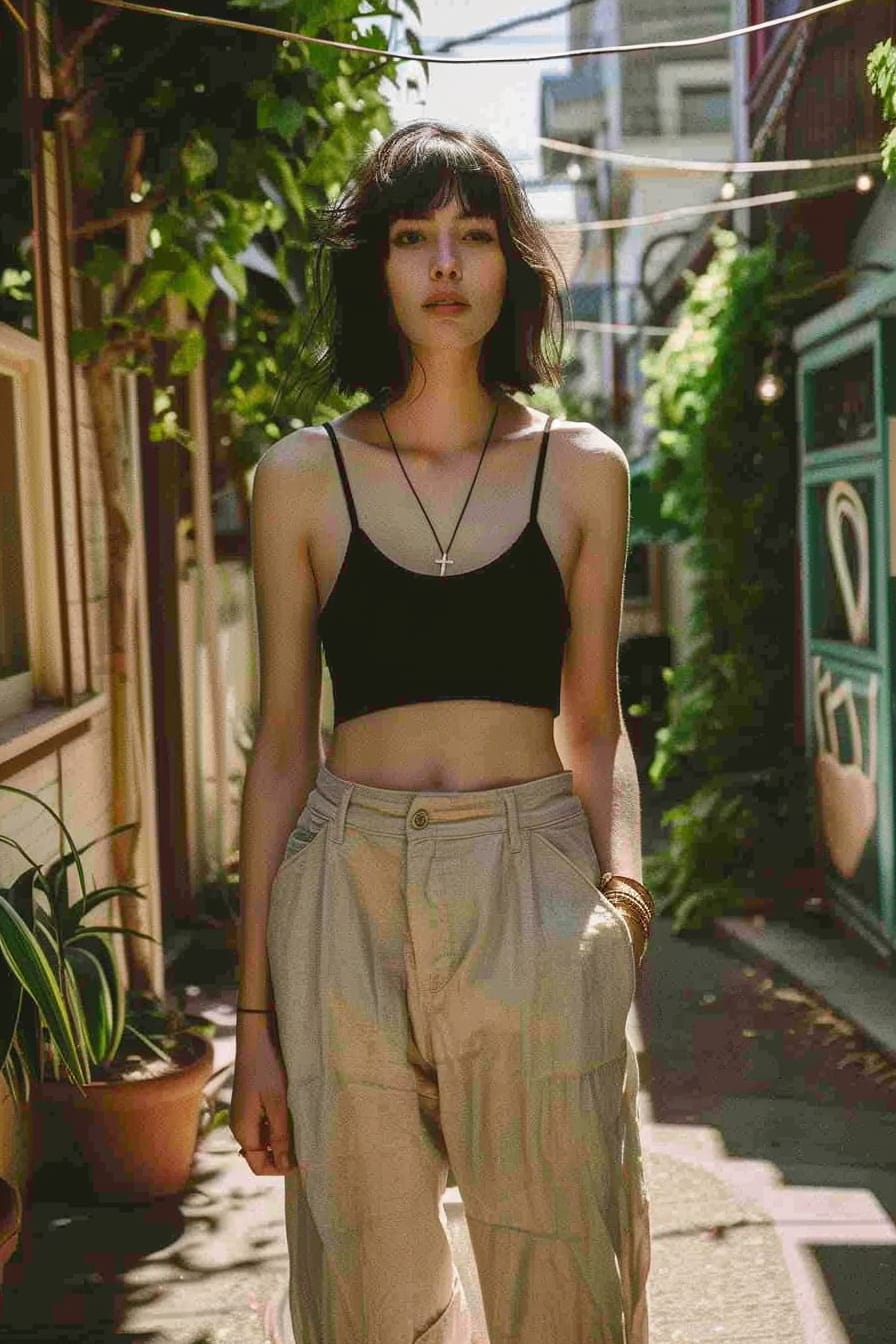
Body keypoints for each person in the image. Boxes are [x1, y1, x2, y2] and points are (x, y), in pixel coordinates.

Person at [230, 120, 653, 1344]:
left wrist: (617, 899)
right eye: (413, 237)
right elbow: (278, 751)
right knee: (365, 1284)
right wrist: (253, 1027)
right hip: (342, 894)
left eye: (473, 234)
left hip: (530, 875)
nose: (445, 264)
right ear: (378, 267)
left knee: (564, 1264)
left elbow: (595, 720)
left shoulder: (580, 468)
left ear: (510, 263)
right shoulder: (300, 477)